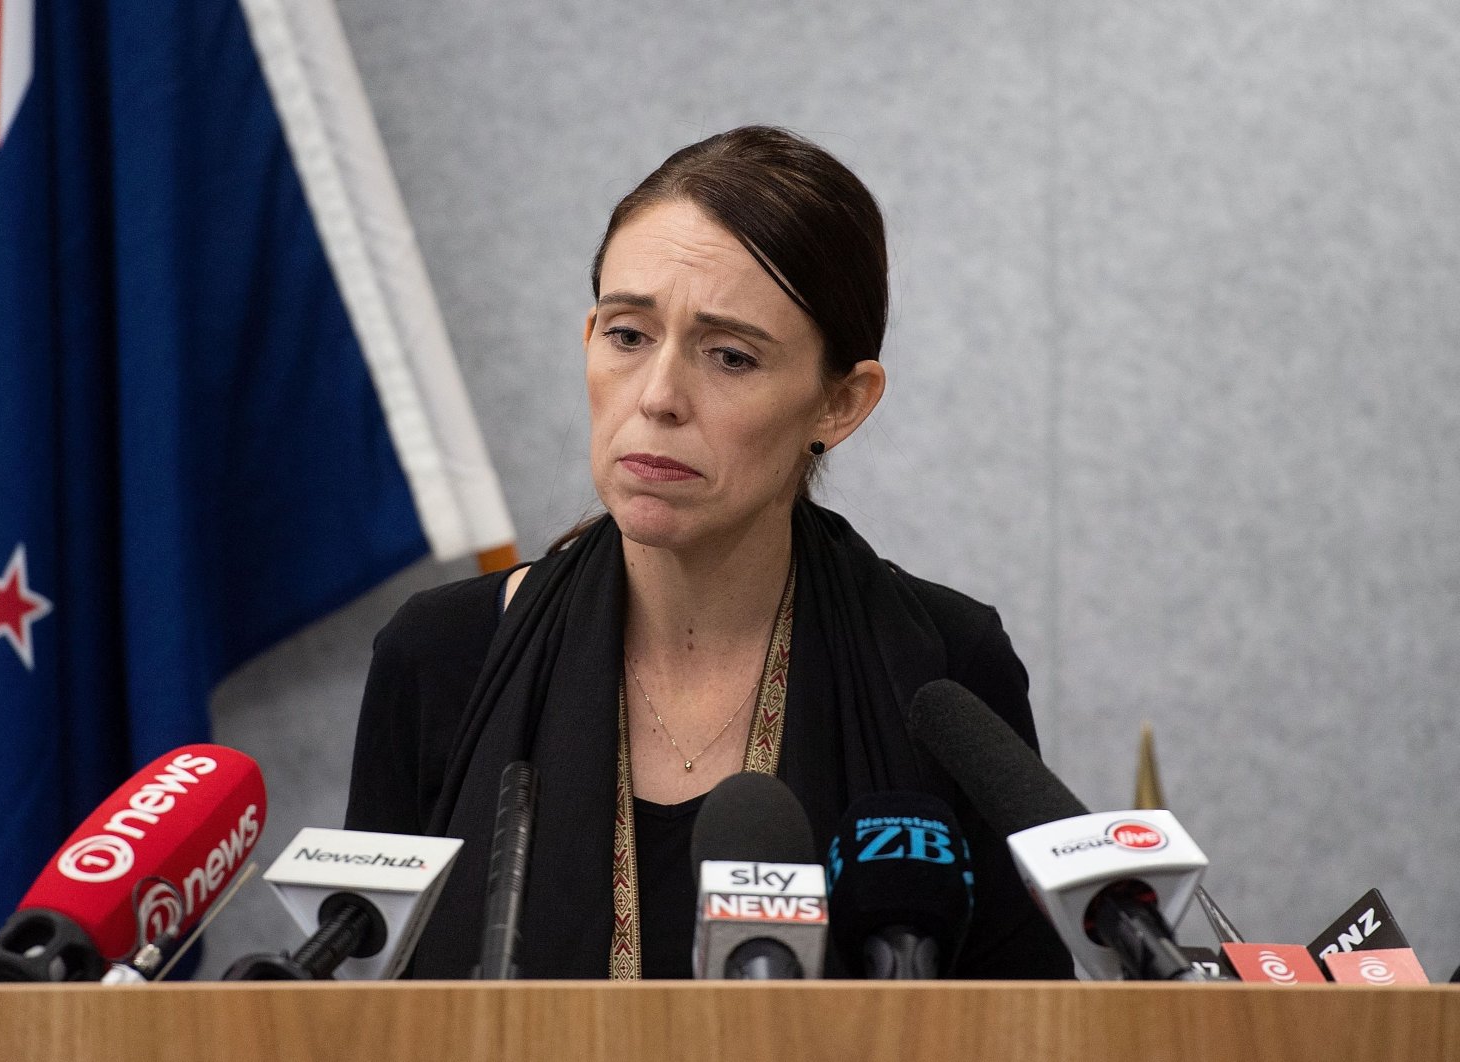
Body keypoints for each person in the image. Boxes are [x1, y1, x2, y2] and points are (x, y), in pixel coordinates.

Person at [346, 126, 1073, 980]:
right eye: (627, 335)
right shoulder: (441, 656)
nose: (657, 398)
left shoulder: (944, 668)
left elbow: (1020, 1016)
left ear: (840, 402)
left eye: (730, 356)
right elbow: (367, 1002)